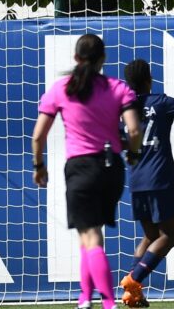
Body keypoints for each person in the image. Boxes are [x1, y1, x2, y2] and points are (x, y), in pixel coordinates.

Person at [31, 34, 142, 309]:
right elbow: (135, 130)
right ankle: (84, 296)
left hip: (81, 169)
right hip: (111, 167)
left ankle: (107, 301)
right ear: (102, 60)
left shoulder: (61, 88)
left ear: (76, 58)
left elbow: (38, 136)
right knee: (92, 233)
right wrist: (133, 152)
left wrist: (39, 166)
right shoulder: (117, 88)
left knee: (89, 234)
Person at [117, 59, 174, 308]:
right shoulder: (161, 101)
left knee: (149, 236)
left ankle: (134, 294)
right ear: (150, 79)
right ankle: (133, 279)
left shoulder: (125, 109)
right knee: (170, 235)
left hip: (137, 181)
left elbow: (121, 141)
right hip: (161, 179)